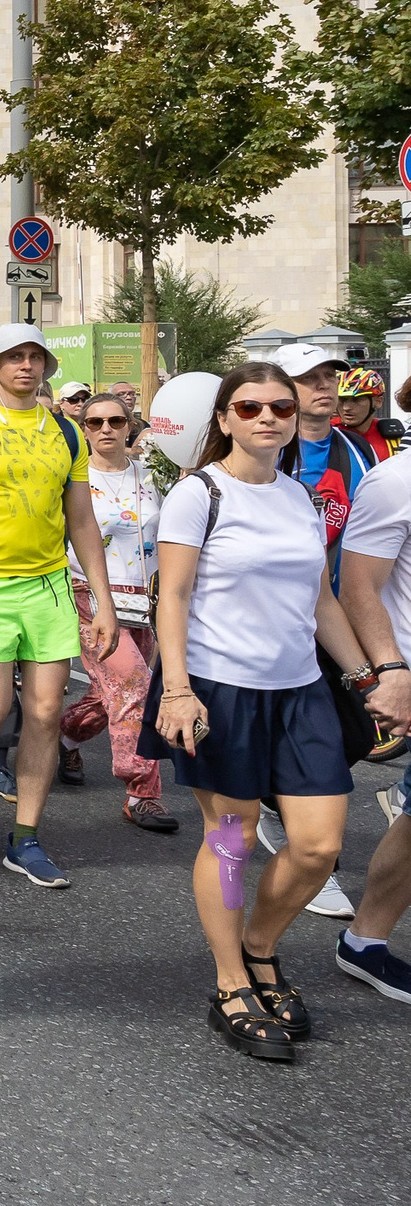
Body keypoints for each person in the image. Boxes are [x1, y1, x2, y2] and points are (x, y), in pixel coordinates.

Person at [147, 364, 367, 1061]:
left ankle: (260, 944)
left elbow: (321, 599)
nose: (268, 417)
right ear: (224, 418)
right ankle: (232, 980)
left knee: (318, 844)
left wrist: (367, 674)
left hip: (300, 689)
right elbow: (173, 597)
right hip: (219, 686)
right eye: (250, 406)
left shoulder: (300, 495)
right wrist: (177, 688)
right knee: (233, 836)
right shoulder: (197, 493)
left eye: (280, 405)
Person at [0, 323, 118, 890]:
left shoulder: (67, 433)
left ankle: (25, 837)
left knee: (43, 713)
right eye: (15, 356)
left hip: (49, 587)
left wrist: (103, 603)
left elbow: (81, 520)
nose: (27, 366)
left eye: (36, 357)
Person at [270, 340, 378, 920]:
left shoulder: (354, 450)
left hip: (335, 613)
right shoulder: (269, 448)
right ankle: (313, 856)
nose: (324, 386)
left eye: (329, 376)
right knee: (320, 740)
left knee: (359, 733)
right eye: (309, 378)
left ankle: (278, 804)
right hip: (275, 620)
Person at [67, 393, 176, 833]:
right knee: (133, 685)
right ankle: (141, 791)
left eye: (116, 420)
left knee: (111, 693)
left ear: (131, 424)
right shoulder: (72, 480)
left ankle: (65, 735)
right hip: (91, 597)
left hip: (145, 599)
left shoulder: (154, 476)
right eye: (94, 422)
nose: (106, 429)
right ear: (83, 428)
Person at [332, 441, 411, 1007]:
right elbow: (357, 586)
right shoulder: (395, 481)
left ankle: (364, 941)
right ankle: (364, 940)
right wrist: (390, 670)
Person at [338, 366, 401, 462]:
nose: (346, 407)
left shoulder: (394, 436)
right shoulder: (326, 433)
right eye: (342, 400)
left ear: (378, 401)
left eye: (356, 400)